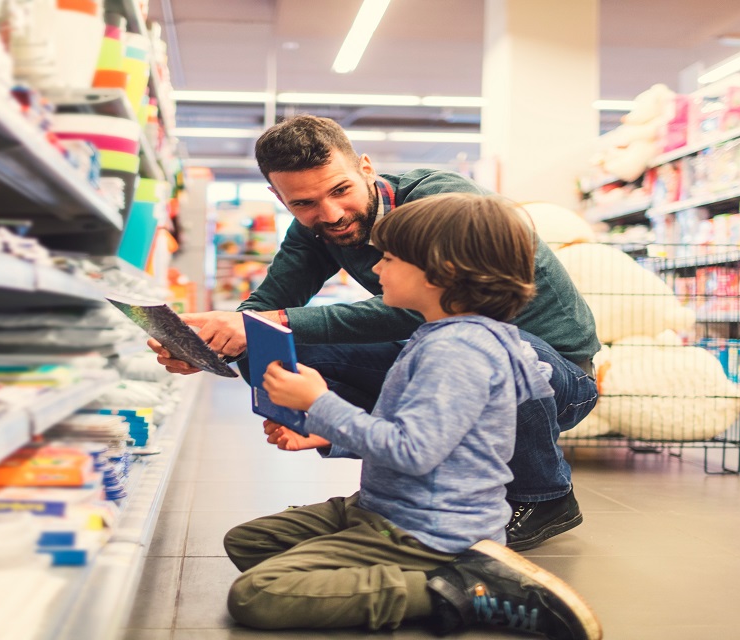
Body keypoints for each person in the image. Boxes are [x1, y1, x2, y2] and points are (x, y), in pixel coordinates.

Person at [151, 114, 600, 551]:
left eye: (340, 190)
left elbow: (425, 310)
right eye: (302, 203)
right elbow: (268, 305)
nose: (330, 214)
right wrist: (214, 343)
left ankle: (546, 497)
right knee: (263, 351)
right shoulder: (315, 227)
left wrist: (272, 322)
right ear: (279, 196)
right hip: (443, 355)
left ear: (365, 167)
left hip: (553, 373)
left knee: (496, 349)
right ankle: (395, 467)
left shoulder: (442, 203)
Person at [223, 193, 601, 638]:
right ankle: (380, 560)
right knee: (248, 542)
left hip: (423, 528)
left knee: (256, 593)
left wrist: (318, 403)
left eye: (388, 258)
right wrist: (327, 437)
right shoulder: (445, 337)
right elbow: (437, 439)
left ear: (442, 274)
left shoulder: (457, 351)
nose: (376, 269)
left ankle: (458, 589)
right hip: (386, 506)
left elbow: (413, 451)